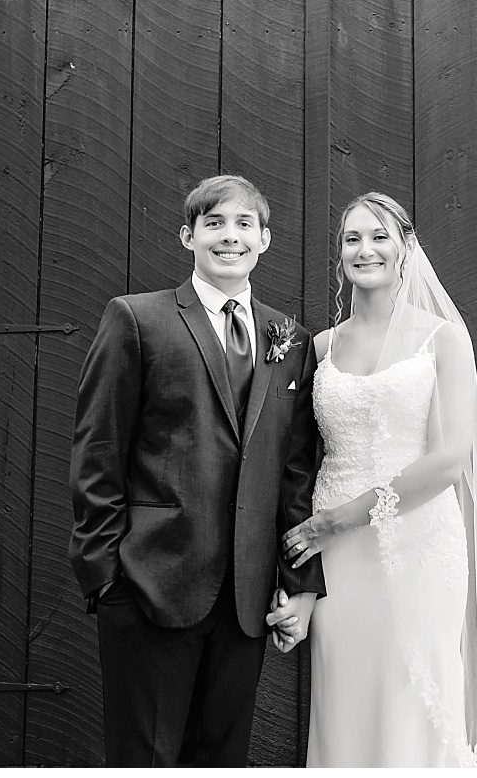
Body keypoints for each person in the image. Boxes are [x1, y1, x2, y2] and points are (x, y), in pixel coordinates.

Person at [69, 174, 324, 766]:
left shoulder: (291, 339)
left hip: (245, 599)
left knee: (221, 759)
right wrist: (105, 578)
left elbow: (295, 474)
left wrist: (300, 583)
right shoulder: (137, 320)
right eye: (213, 223)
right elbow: (96, 452)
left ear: (266, 239)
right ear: (188, 236)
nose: (228, 237)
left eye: (243, 225)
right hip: (149, 585)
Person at [279, 192, 477, 767]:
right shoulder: (320, 347)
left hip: (417, 543)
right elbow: (298, 458)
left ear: (406, 248)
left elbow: (448, 459)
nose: (365, 249)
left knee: (415, 693)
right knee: (345, 694)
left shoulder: (441, 338)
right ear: (340, 254)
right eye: (352, 239)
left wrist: (343, 516)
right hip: (336, 555)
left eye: (379, 236)